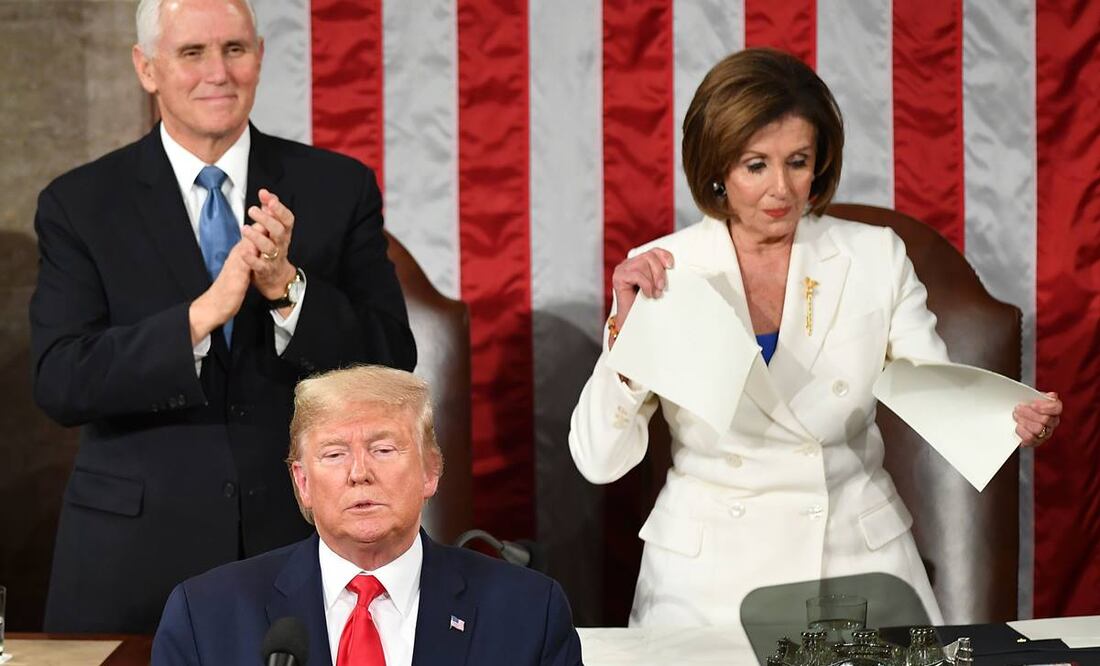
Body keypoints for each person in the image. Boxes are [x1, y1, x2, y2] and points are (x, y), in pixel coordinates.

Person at [568, 48, 1062, 634]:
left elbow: (935, 392)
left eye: (798, 162)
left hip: (855, 567)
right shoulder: (662, 269)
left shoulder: (875, 256)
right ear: (716, 166)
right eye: (756, 165)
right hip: (706, 583)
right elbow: (598, 461)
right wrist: (627, 349)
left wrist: (1007, 419)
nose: (781, 189)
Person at [29, 0, 416, 633]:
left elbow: (391, 360)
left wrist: (288, 288)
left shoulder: (336, 187)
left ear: (259, 57)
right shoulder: (80, 203)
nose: (219, 72)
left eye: (234, 50)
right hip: (132, 561)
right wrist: (200, 317)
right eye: (192, 52)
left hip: (297, 548)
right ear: (146, 68)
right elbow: (61, 379)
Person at [152, 365, 583, 666]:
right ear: (302, 482)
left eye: (383, 449)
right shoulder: (206, 615)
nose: (359, 473)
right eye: (334, 454)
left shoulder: (528, 611)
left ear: (431, 470)